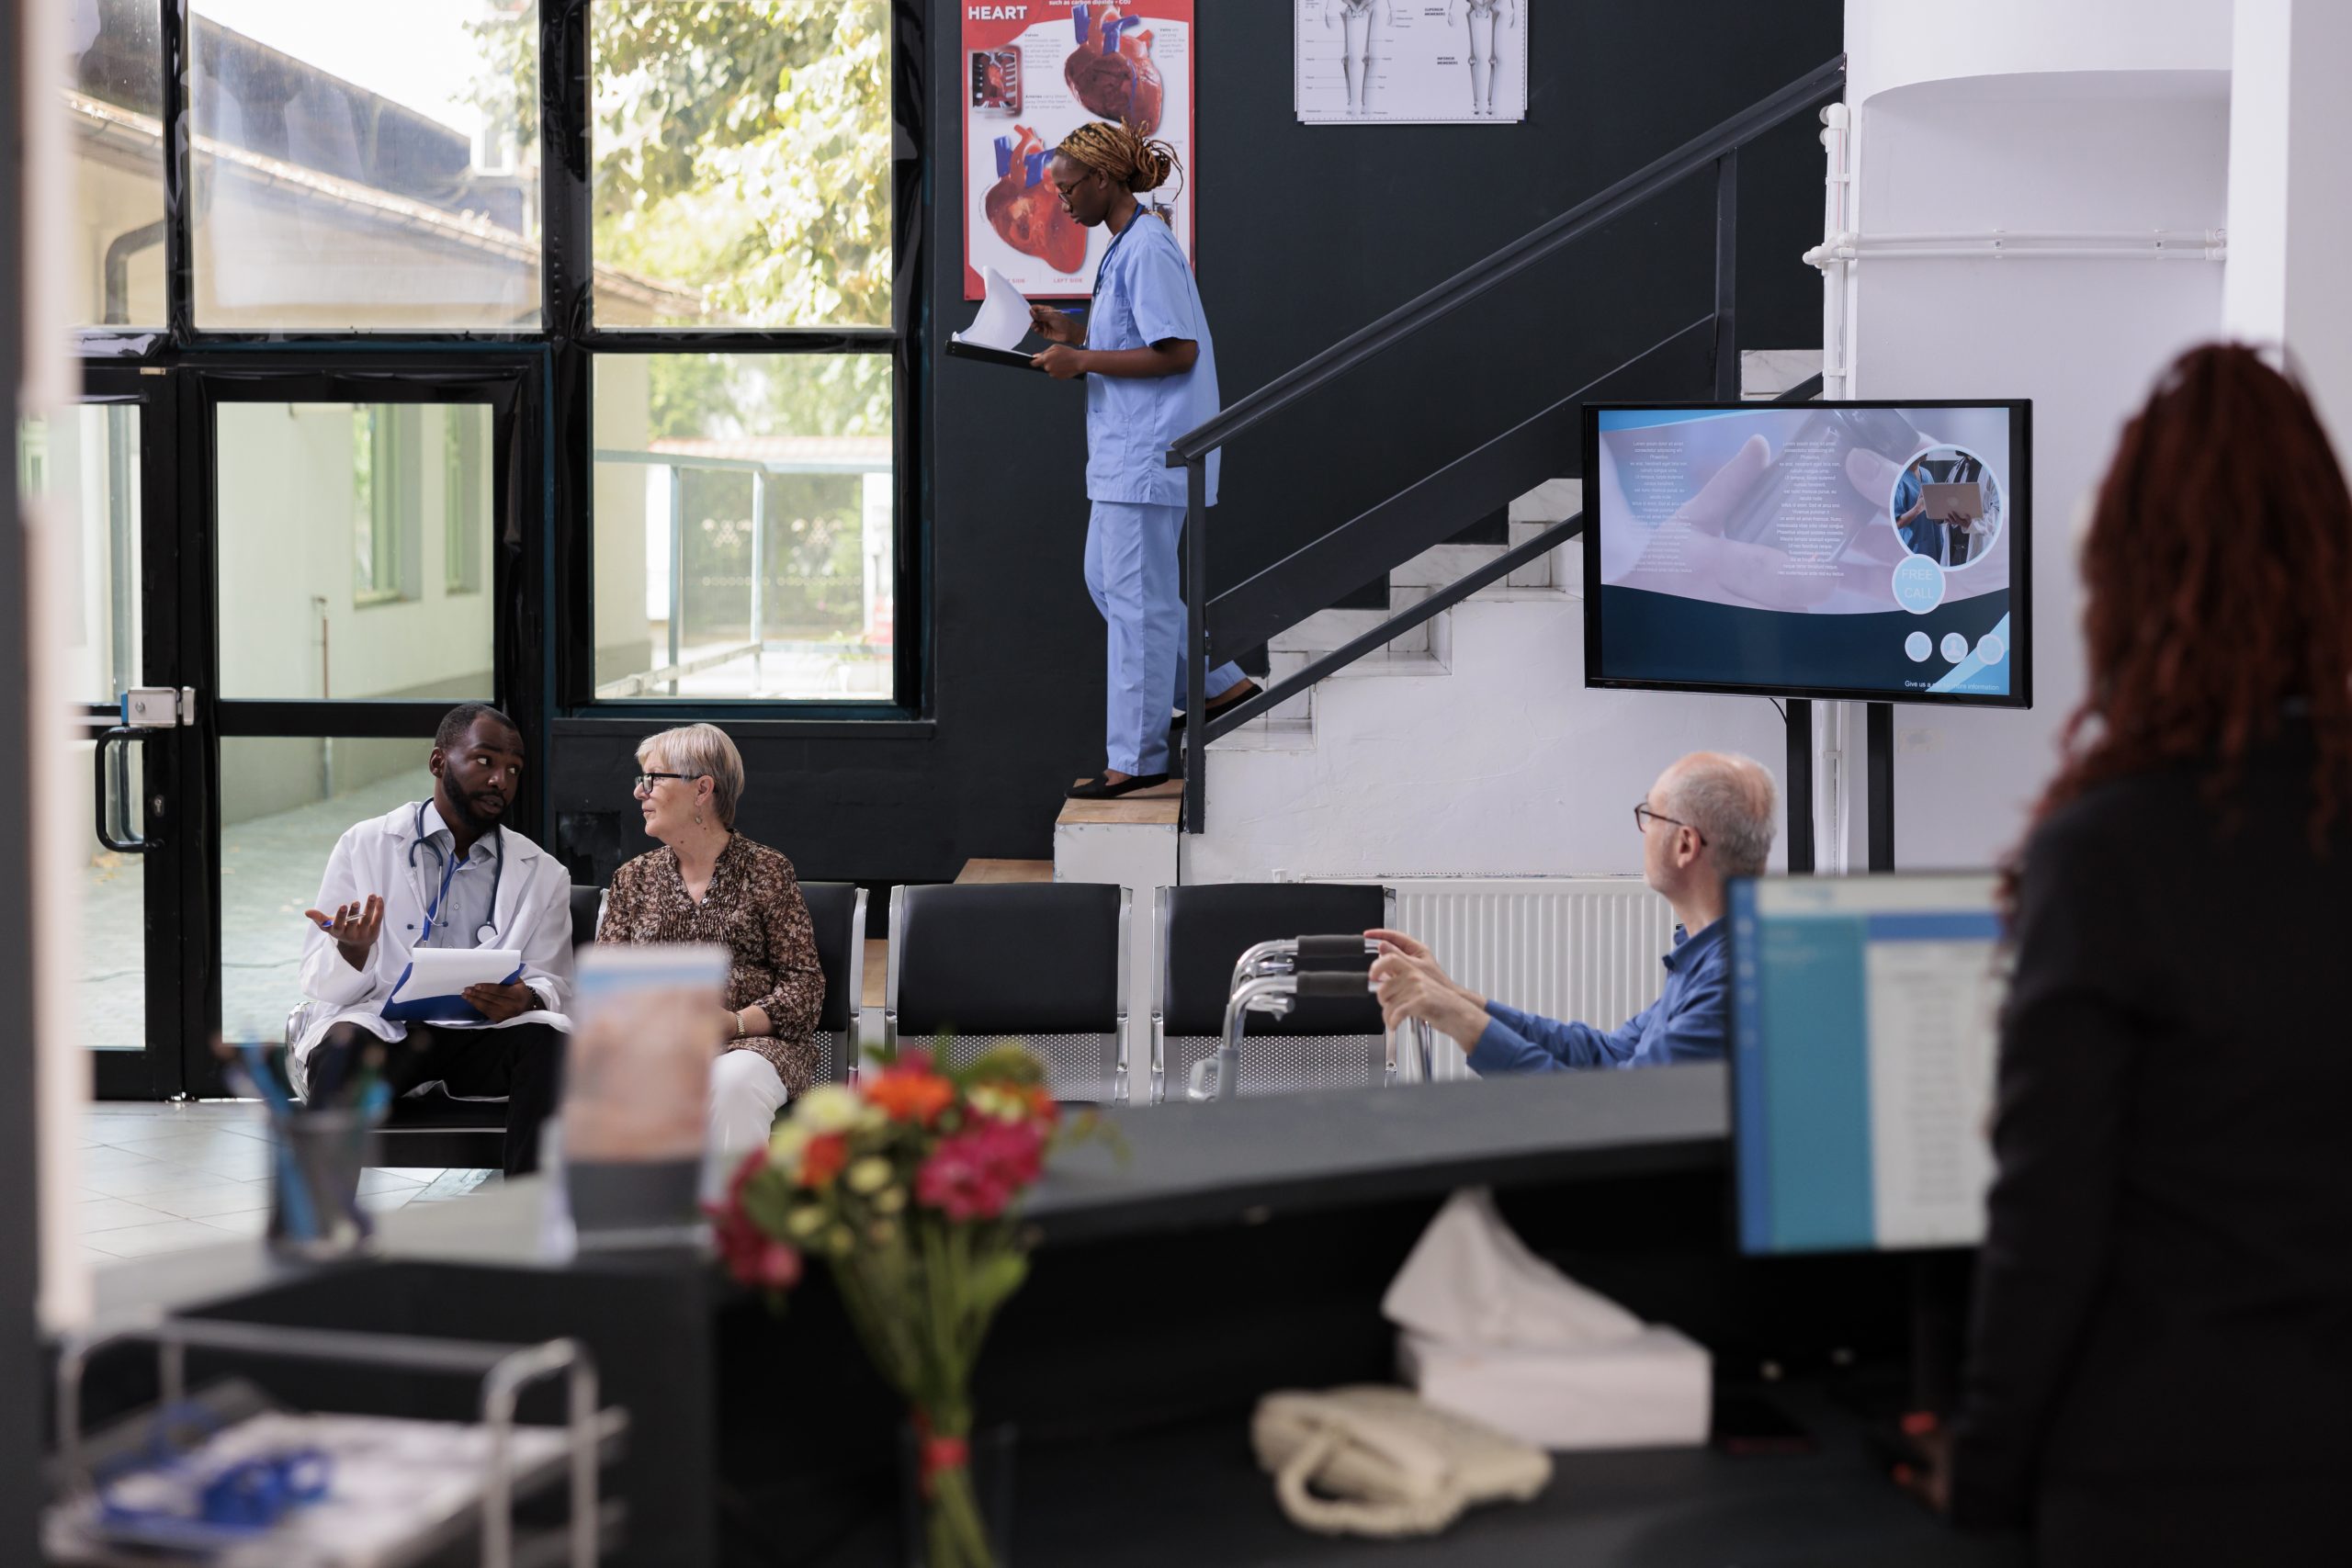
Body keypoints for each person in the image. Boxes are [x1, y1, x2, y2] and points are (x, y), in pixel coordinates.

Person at [1910, 345, 2352, 1565]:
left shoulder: (2113, 847)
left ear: (2127, 577)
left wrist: (1980, 1477)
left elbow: (2052, 1216)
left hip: (2165, 1478)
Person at [1028, 119, 1259, 800]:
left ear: (1103, 179)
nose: (1064, 203)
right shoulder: (1127, 244)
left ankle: (1137, 757)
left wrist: (1081, 360)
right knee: (1116, 586)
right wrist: (1073, 331)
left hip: (1148, 455)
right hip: (1126, 456)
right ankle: (1223, 686)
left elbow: (1177, 349)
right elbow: (1135, 332)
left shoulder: (1148, 247)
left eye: (1070, 188)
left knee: (1135, 602)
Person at [294, 704, 574, 1177]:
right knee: (341, 1048)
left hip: (483, 1035)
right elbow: (319, 984)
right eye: (484, 761)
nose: (500, 780)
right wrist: (353, 950)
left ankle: (529, 1220)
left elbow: (555, 980)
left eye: (513, 770)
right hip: (385, 1027)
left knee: (549, 1042)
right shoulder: (364, 845)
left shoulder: (544, 872)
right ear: (439, 762)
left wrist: (525, 997)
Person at [1367, 751, 1776, 1070]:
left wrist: (1459, 1018)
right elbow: (1610, 1054)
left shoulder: (1729, 981)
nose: (1643, 828)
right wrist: (1455, 997)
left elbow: (1618, 1113)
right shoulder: (1707, 953)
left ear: (1685, 845)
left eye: (1650, 814)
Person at [594, 724, 826, 1180]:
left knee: (731, 1083)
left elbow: (806, 985)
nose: (641, 792)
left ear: (702, 788)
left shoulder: (767, 869)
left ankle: (731, 1236)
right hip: (654, 1048)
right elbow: (604, 987)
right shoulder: (631, 879)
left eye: (653, 778)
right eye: (641, 779)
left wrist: (736, 1021)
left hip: (754, 1046)